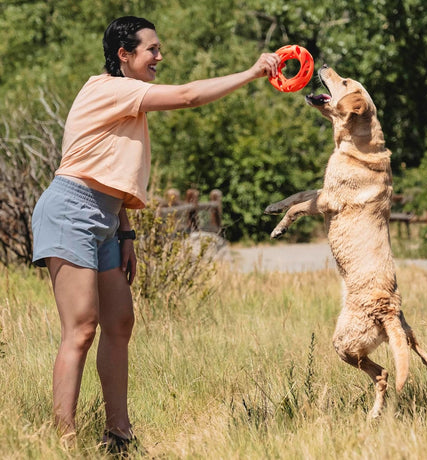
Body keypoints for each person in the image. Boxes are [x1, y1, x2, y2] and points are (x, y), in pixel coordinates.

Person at [31, 15, 280, 452]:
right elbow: (186, 96)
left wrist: (125, 235)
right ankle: (62, 444)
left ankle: (118, 435)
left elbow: (111, 170)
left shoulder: (125, 97)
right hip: (71, 209)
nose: (159, 57)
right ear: (124, 55)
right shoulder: (108, 88)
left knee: (120, 322)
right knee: (82, 328)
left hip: (106, 217)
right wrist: (252, 72)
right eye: (152, 50)